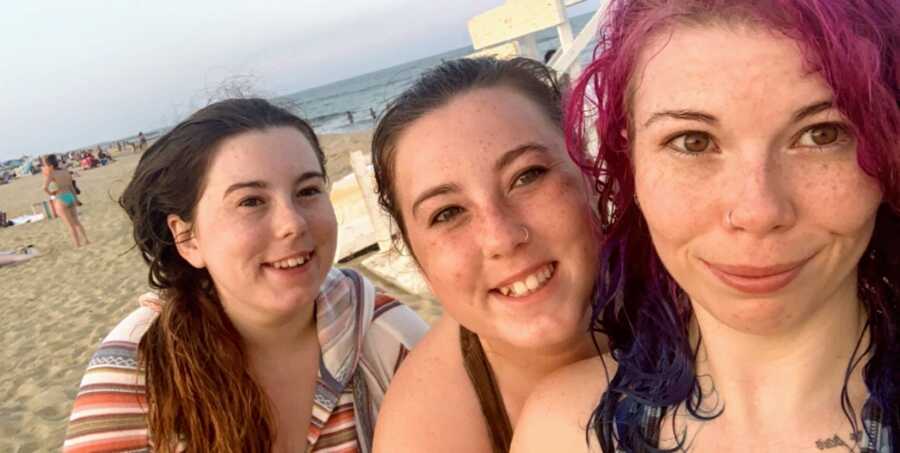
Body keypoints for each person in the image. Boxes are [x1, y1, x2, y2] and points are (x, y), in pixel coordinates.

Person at [512, 1, 899, 452]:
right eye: (692, 142)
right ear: (630, 161)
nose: (758, 211)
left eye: (823, 134)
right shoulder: (562, 433)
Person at [63, 98, 428, 453]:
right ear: (187, 238)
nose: (292, 224)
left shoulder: (385, 335)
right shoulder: (141, 366)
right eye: (251, 201)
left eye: (308, 191)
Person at [370, 57, 604, 453]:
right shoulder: (425, 436)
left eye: (527, 176)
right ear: (417, 259)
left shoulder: (706, 285)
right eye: (448, 213)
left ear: (587, 166)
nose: (501, 238)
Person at [42, 154, 89, 247]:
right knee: (76, 221)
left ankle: (77, 244)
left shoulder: (51, 174)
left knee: (70, 225)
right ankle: (86, 240)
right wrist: (76, 199)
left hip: (61, 196)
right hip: (70, 195)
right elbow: (71, 186)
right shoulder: (65, 171)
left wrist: (51, 194)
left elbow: (44, 187)